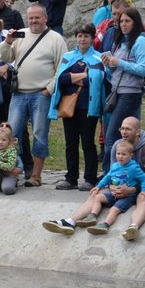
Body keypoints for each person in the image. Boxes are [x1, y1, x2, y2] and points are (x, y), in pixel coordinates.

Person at [45, 116, 145, 236]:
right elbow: (112, 173)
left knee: (142, 198)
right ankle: (71, 222)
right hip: (122, 186)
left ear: (138, 132)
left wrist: (133, 189)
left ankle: (133, 228)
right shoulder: (118, 145)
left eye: (128, 129)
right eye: (122, 128)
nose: (124, 132)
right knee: (95, 193)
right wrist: (112, 186)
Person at [0, 3, 66, 187]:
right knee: (11, 133)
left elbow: (62, 67)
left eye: (37, 17)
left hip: (41, 94)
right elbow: (3, 57)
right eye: (31, 18)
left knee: (39, 134)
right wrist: (8, 42)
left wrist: (49, 89)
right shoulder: (20, 34)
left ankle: (36, 175)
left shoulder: (56, 39)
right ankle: (11, 170)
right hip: (19, 94)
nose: (34, 21)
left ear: (45, 18)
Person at [49, 22, 104, 191]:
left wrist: (73, 77)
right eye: (79, 36)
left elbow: (97, 79)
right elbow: (61, 79)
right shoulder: (68, 57)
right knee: (70, 143)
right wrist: (80, 76)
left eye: (86, 36)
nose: (82, 39)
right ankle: (71, 178)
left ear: (92, 38)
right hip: (69, 106)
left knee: (88, 143)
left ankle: (90, 178)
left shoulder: (98, 58)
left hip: (88, 107)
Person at [100, 6, 145, 174]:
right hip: (117, 91)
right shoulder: (121, 41)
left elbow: (144, 69)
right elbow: (115, 70)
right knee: (121, 135)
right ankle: (122, 171)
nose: (123, 24)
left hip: (130, 93)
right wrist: (109, 65)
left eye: (127, 21)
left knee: (113, 135)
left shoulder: (140, 41)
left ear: (136, 23)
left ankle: (109, 173)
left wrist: (118, 62)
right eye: (121, 21)